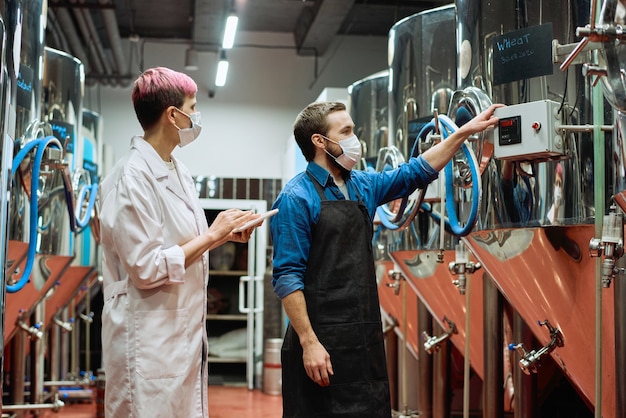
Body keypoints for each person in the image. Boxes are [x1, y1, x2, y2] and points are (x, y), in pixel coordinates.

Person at [269, 100, 503, 417]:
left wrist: (462, 134)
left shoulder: (361, 184)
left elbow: (415, 172)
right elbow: (287, 277)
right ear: (320, 142)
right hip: (319, 342)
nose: (356, 140)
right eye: (347, 131)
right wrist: (309, 342)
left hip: (363, 339)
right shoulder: (296, 198)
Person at [99, 67, 257, 418]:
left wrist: (223, 236)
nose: (197, 117)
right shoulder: (132, 177)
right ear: (173, 114)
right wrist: (213, 234)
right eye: (193, 107)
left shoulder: (177, 170)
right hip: (147, 337)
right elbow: (146, 267)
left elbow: (184, 244)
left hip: (178, 337)